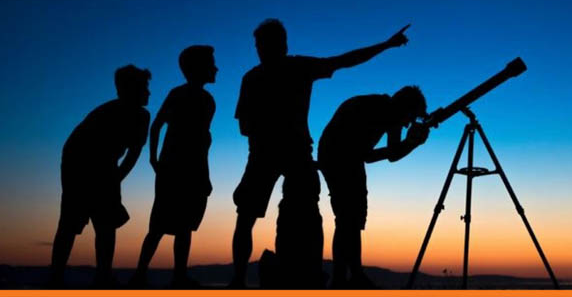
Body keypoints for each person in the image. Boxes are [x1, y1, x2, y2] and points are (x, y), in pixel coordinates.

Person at [230, 18, 410, 288]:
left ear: (281, 45)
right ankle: (243, 281)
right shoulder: (273, 73)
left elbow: (345, 60)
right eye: (259, 45)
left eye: (263, 45)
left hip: (280, 154)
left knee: (259, 217)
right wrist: (386, 45)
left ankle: (260, 280)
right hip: (278, 154)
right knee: (254, 217)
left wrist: (386, 45)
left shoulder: (272, 73)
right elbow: (244, 126)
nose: (260, 50)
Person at [49, 65, 151, 288]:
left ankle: (103, 276)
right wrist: (112, 180)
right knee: (72, 222)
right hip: (78, 163)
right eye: (144, 87)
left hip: (103, 164)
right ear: (129, 89)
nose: (148, 92)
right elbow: (125, 154)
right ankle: (56, 279)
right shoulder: (109, 113)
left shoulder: (141, 116)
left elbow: (132, 154)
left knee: (106, 222)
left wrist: (116, 179)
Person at [318, 86, 429, 288]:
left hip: (341, 158)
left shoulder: (384, 109)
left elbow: (376, 155)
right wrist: (412, 143)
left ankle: (352, 276)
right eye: (410, 118)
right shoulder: (383, 111)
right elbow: (387, 154)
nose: (407, 124)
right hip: (340, 159)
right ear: (404, 108)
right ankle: (343, 279)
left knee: (350, 220)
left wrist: (411, 142)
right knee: (348, 219)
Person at [130, 46, 217, 288]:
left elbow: (199, 142)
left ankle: (174, 276)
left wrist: (155, 159)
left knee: (180, 227)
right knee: (163, 225)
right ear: (198, 68)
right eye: (211, 64)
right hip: (177, 170)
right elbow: (160, 127)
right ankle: (142, 275)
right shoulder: (187, 96)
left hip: (184, 170)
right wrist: (153, 158)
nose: (216, 68)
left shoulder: (203, 99)